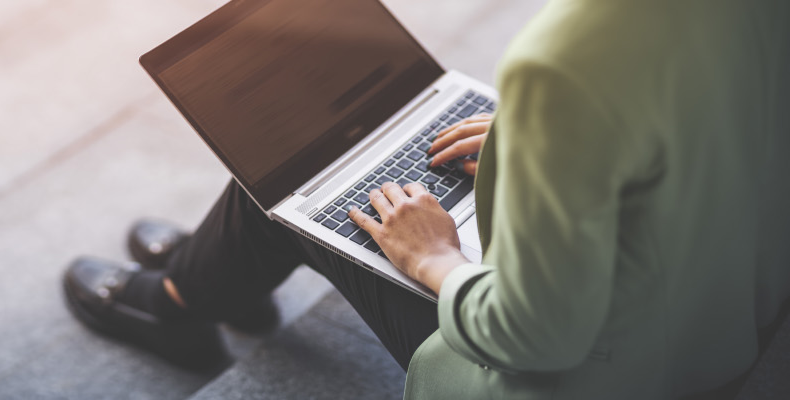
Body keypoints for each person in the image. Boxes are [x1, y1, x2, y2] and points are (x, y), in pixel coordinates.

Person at [61, 0, 790, 397]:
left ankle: (180, 304)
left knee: (280, 190)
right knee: (308, 183)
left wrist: (434, 257)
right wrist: (545, 143)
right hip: (727, 314)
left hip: (602, 379)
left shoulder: (562, 65)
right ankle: (214, 276)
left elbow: (538, 340)